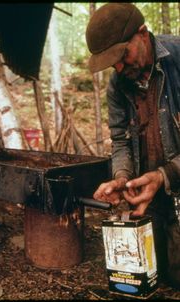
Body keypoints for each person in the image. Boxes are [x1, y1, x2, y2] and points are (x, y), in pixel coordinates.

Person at [85, 2, 180, 288]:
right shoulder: (118, 85)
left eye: (122, 55)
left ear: (143, 33)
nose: (118, 67)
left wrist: (165, 175)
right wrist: (122, 178)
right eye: (111, 61)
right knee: (144, 276)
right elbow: (120, 140)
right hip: (152, 198)